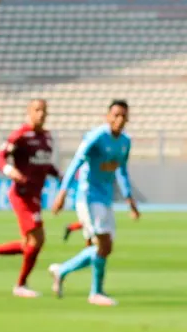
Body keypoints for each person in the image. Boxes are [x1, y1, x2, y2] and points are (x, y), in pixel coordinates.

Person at [49, 100, 140, 306]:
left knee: (105, 248)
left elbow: (122, 171)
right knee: (104, 244)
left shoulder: (125, 141)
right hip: (88, 196)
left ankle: (61, 271)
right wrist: (63, 192)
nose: (119, 119)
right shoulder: (97, 137)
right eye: (115, 115)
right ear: (107, 117)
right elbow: (76, 162)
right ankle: (95, 292)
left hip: (106, 198)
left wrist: (129, 199)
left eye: (123, 116)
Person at [0, 99, 58, 298]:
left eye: (44, 110)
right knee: (37, 240)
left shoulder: (47, 137)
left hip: (35, 194)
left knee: (27, 243)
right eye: (37, 110)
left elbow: (44, 164)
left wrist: (58, 173)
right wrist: (11, 171)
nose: (41, 114)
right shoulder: (21, 135)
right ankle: (20, 285)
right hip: (22, 195)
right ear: (28, 113)